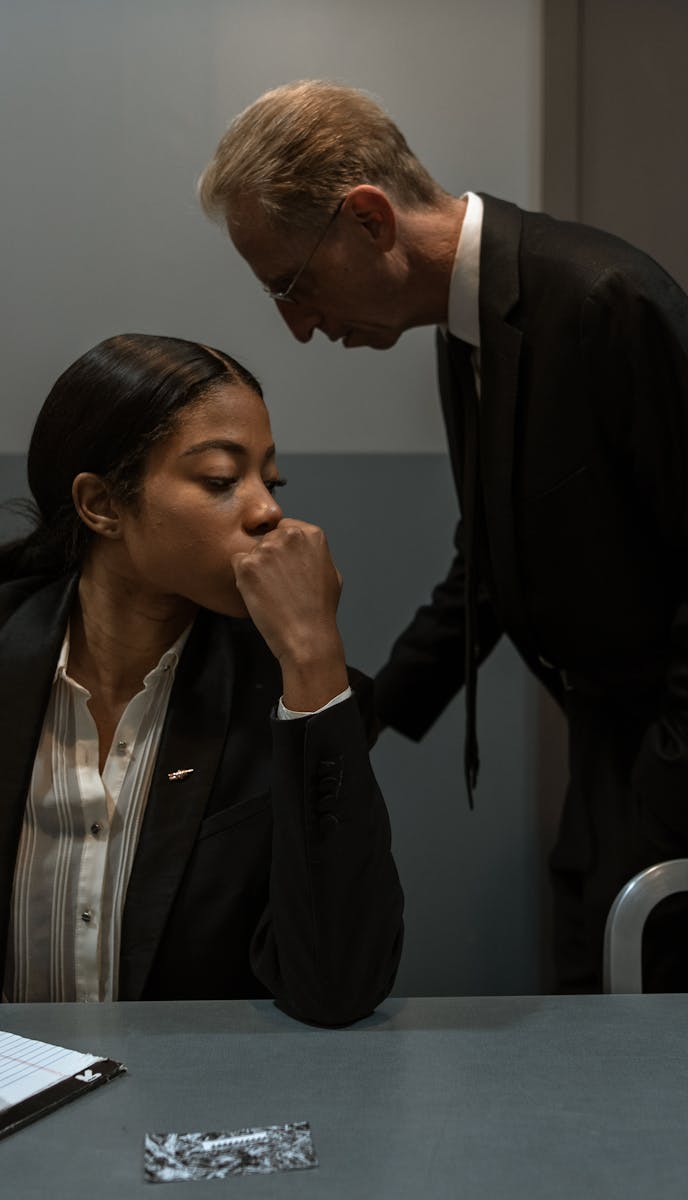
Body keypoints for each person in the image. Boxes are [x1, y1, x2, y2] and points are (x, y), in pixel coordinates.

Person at [199, 79, 688, 991]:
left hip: (662, 760)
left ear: (371, 221)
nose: (298, 328)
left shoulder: (603, 301)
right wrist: (351, 717)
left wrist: (665, 793)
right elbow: (490, 566)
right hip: (607, 751)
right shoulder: (466, 326)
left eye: (292, 285)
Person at [0, 333, 403, 1061]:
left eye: (270, 482)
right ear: (101, 504)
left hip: (193, 1104)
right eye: (223, 480)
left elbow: (340, 986)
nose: (266, 514)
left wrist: (315, 659)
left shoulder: (297, 690)